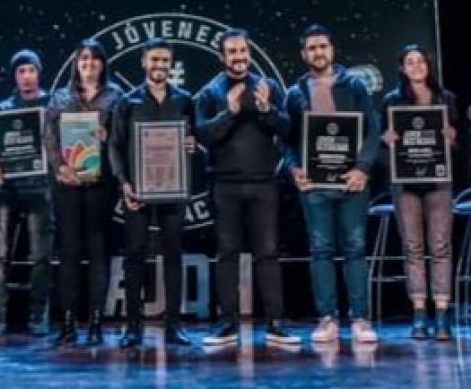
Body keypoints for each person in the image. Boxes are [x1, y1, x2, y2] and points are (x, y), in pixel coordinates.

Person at [195, 29, 299, 346]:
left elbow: (289, 129)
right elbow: (203, 135)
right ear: (222, 56)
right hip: (225, 185)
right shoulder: (210, 92)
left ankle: (276, 323)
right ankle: (226, 323)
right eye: (232, 52)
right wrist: (229, 113)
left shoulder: (267, 87)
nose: (239, 58)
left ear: (249, 53)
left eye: (243, 51)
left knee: (267, 253)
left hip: (263, 184)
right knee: (227, 254)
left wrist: (267, 109)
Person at [283, 24, 381, 344]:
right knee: (320, 250)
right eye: (312, 48)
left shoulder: (355, 85)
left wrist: (363, 168)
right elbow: (287, 139)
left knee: (355, 248)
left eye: (323, 46)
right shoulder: (294, 93)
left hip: (352, 182)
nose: (318, 52)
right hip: (314, 185)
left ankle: (360, 319)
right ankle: (327, 318)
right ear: (303, 54)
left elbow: (372, 129)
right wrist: (294, 168)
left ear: (332, 50)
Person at [107, 37, 196, 348]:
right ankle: (133, 327)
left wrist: (191, 144)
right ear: (144, 62)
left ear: (171, 64)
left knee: (173, 255)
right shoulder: (127, 102)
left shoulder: (185, 100)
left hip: (173, 189)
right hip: (138, 192)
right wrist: (124, 183)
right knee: (135, 256)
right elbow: (114, 146)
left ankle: (174, 326)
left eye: (164, 60)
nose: (159, 66)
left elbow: (194, 141)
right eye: (154, 60)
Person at [379, 44, 463, 340]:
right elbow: (382, 141)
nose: (416, 66)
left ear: (429, 65)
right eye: (409, 62)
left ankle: (441, 314)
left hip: (439, 181)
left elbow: (456, 145)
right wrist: (386, 139)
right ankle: (418, 315)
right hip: (405, 183)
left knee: (440, 247)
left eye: (420, 61)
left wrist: (451, 139)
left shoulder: (446, 98)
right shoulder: (391, 101)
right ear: (402, 68)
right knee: (412, 248)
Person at [49, 39, 123, 347]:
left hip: (101, 185)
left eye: (94, 59)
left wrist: (107, 137)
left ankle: (95, 321)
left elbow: (122, 140)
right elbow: (49, 139)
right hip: (67, 184)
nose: (88, 64)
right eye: (83, 59)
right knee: (68, 253)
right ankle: (67, 322)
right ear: (76, 64)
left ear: (102, 64)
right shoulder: (60, 98)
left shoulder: (115, 97)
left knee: (97, 253)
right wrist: (59, 168)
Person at [0, 50, 54, 338]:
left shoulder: (52, 105)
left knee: (40, 256)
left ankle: (38, 316)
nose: (26, 76)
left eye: (31, 71)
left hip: (40, 187)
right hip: (7, 189)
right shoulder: (2, 109)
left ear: (38, 73)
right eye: (21, 71)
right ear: (15, 76)